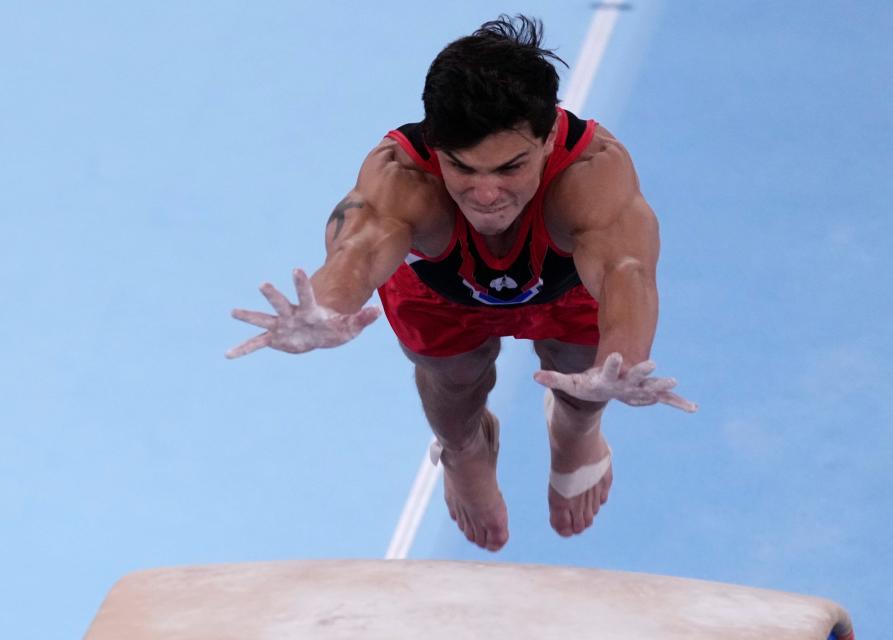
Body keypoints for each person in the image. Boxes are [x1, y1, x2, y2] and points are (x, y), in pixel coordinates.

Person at [227, 15, 697, 552]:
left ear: (547, 139)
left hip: (566, 289)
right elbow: (356, 253)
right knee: (454, 387)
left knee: (586, 376)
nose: (486, 193)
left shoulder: (592, 175)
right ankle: (464, 451)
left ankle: (577, 433)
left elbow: (625, 273)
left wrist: (623, 362)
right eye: (463, 169)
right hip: (440, 296)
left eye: (508, 168)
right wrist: (327, 311)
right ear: (434, 143)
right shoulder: (402, 178)